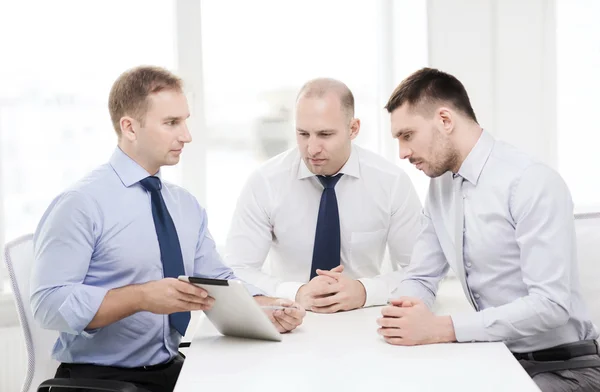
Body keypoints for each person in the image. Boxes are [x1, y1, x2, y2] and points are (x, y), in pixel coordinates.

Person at [30, 66, 305, 392]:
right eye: (172, 123)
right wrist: (141, 297)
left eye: (185, 121)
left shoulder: (184, 205)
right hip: (100, 381)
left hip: (169, 368)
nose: (186, 135)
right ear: (129, 128)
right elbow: (48, 306)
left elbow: (217, 282)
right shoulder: (81, 203)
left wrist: (268, 307)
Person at [376, 67, 600, 391]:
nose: (403, 153)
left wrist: (442, 328)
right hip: (498, 357)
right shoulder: (440, 188)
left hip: (566, 368)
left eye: (407, 136)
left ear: (445, 120)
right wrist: (405, 312)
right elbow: (422, 275)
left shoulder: (530, 182)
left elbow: (551, 305)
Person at [225, 78, 422, 313]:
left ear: (353, 128)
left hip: (365, 321)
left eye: (325, 134)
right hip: (287, 319)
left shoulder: (391, 183)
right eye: (303, 134)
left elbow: (422, 271)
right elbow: (236, 271)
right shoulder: (265, 183)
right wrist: (295, 292)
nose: (312, 148)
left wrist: (365, 291)